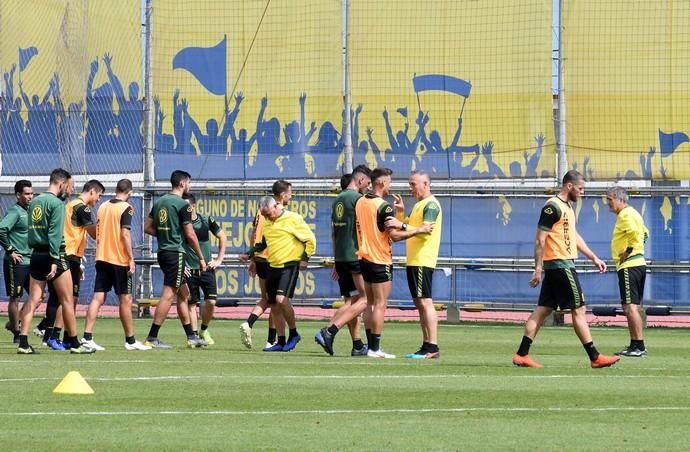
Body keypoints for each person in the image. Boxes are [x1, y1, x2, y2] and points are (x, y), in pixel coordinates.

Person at [512, 170, 620, 368]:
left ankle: (522, 354)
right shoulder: (552, 207)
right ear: (569, 186)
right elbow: (540, 239)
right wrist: (537, 268)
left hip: (559, 265)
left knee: (543, 310)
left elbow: (574, 236)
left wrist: (594, 257)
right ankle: (595, 357)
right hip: (560, 265)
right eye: (580, 189)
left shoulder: (567, 207)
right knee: (579, 309)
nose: (582, 193)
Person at [17, 168, 93, 354]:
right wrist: (54, 259)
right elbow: (55, 233)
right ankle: (75, 344)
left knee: (33, 299)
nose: (70, 189)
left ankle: (23, 342)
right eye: (70, 185)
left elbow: (33, 230)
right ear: (61, 183)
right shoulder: (57, 204)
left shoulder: (35, 201)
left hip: (36, 254)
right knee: (67, 300)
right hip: (54, 256)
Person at [355, 167, 428, 359]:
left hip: (364, 257)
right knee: (380, 304)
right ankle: (375, 348)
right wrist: (418, 230)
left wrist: (400, 214)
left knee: (370, 304)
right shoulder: (383, 206)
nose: (391, 185)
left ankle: (371, 346)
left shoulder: (361, 201)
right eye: (389, 182)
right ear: (380, 183)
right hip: (380, 259)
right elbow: (394, 235)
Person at [82, 179, 151, 350]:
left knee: (98, 298)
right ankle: (130, 340)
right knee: (125, 299)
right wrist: (131, 258)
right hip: (119, 260)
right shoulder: (126, 208)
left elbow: (97, 231)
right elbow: (125, 234)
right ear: (130, 193)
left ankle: (87, 336)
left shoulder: (103, 206)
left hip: (102, 258)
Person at [240, 195, 315, 352]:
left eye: (268, 213)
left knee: (281, 300)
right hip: (272, 265)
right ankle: (280, 341)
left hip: (289, 265)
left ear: (276, 207)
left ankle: (293, 333)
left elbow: (310, 239)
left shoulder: (293, 218)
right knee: (273, 303)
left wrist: (305, 259)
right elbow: (263, 244)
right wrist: (249, 254)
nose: (266, 217)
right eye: (264, 214)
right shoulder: (267, 222)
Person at [143, 170, 207, 349]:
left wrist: (165, 234)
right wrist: (201, 258)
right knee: (169, 294)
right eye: (189, 183)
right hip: (175, 253)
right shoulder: (183, 205)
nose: (190, 186)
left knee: (184, 293)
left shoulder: (160, 202)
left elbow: (147, 227)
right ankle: (152, 337)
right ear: (183, 183)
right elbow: (190, 233)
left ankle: (191, 336)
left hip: (163, 252)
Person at [384, 170, 442, 359]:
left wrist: (401, 225)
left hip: (422, 260)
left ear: (426, 184)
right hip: (414, 260)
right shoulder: (419, 205)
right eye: (410, 184)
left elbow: (425, 231)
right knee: (420, 303)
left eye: (413, 184)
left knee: (425, 302)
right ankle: (426, 345)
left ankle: (432, 346)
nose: (410, 188)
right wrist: (400, 212)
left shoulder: (431, 205)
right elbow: (409, 227)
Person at [315, 165, 372, 356]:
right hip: (355, 255)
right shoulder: (358, 200)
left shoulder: (337, 200)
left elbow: (333, 233)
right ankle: (329, 331)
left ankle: (357, 345)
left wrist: (336, 259)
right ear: (361, 181)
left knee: (352, 300)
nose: (368, 188)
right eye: (368, 183)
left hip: (341, 257)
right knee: (365, 299)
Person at [44, 179, 104, 351]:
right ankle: (57, 336)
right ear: (92, 191)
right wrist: (107, 226)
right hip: (70, 256)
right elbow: (94, 233)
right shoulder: (82, 207)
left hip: (69, 255)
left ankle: (61, 336)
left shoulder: (70, 205)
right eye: (98, 195)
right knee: (68, 299)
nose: (98, 199)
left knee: (64, 298)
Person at [239, 179, 294, 350]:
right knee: (276, 301)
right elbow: (267, 238)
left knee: (269, 300)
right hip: (273, 260)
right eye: (290, 193)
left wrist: (253, 257)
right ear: (283, 195)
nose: (291, 197)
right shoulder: (276, 211)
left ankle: (257, 329)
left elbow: (255, 235)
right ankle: (273, 339)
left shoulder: (262, 209)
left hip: (261, 258)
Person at [605, 185, 649, 357]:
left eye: (610, 199)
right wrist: (637, 249)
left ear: (619, 198)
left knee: (630, 307)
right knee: (630, 307)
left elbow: (634, 233)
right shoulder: (634, 213)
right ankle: (634, 345)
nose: (607, 203)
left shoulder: (625, 214)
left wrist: (629, 251)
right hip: (637, 264)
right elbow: (645, 234)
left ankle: (639, 346)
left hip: (629, 265)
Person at [182, 193, 227, 346]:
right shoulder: (180, 224)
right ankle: (194, 337)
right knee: (192, 304)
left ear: (193, 206)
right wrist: (182, 265)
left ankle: (204, 330)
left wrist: (218, 260)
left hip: (206, 269)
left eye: (185, 206)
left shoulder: (206, 220)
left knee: (211, 302)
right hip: (190, 271)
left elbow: (222, 237)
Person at [0, 180, 34, 343]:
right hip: (17, 262)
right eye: (26, 194)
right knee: (16, 297)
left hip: (31, 261)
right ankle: (16, 332)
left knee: (38, 296)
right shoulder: (15, 211)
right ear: (18, 195)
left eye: (31, 193)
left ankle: (14, 322)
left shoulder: (32, 211)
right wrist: (10, 250)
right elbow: (1, 229)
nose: (30, 196)